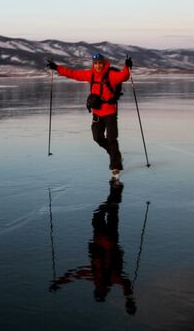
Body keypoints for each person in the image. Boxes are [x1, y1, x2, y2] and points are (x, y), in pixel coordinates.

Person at [49, 182, 136, 315]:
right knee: (102, 213)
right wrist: (129, 300)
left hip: (107, 239)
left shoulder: (101, 276)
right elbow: (74, 274)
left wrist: (59, 283)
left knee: (108, 214)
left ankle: (115, 190)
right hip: (104, 239)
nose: (99, 287)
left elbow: (74, 274)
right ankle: (115, 190)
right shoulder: (104, 277)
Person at [47, 53, 133, 181]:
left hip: (110, 112)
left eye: (100, 63)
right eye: (95, 63)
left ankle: (115, 166)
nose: (98, 66)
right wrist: (57, 68)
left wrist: (127, 67)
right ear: (93, 64)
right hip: (97, 113)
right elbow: (73, 73)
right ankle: (116, 155)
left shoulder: (111, 75)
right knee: (97, 137)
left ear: (103, 63)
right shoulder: (90, 74)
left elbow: (124, 76)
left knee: (111, 139)